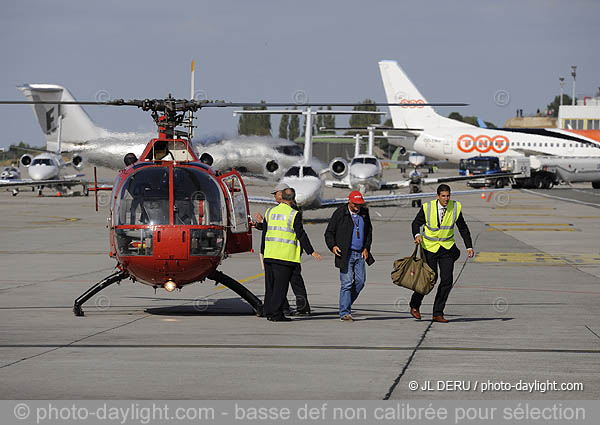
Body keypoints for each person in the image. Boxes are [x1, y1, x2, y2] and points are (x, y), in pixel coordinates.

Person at [410, 184, 474, 323]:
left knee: (447, 280)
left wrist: (469, 246)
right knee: (430, 279)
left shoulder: (455, 207)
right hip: (430, 248)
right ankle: (415, 304)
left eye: (448, 196)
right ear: (438, 196)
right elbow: (415, 223)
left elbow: (463, 228)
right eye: (443, 196)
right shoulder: (427, 207)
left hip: (446, 248)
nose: (446, 199)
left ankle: (437, 313)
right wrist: (417, 235)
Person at [262, 187, 322, 321]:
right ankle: (277, 315)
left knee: (272, 286)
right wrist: (311, 251)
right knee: (281, 288)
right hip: (285, 256)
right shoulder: (293, 214)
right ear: (293, 199)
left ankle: (270, 313)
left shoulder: (270, 211)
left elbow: (265, 231)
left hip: (269, 254)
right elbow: (300, 234)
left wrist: (263, 252)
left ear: (281, 197)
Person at [254, 183, 312, 315]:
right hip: (274, 252)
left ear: (282, 194)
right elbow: (273, 229)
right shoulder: (275, 211)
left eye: (276, 193)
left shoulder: (292, 210)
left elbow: (295, 231)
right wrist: (260, 224)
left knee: (293, 281)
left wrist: (310, 250)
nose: (274, 196)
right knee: (278, 283)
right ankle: (282, 308)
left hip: (288, 253)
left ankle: (301, 308)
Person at [324, 191, 374, 321]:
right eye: (356, 204)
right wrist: (333, 246)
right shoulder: (340, 213)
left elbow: (369, 232)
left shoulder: (364, 213)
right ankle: (345, 312)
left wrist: (366, 248)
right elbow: (329, 233)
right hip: (345, 254)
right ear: (349, 202)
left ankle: (345, 304)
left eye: (360, 204)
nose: (358, 207)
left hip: (360, 253)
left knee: (360, 282)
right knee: (346, 283)